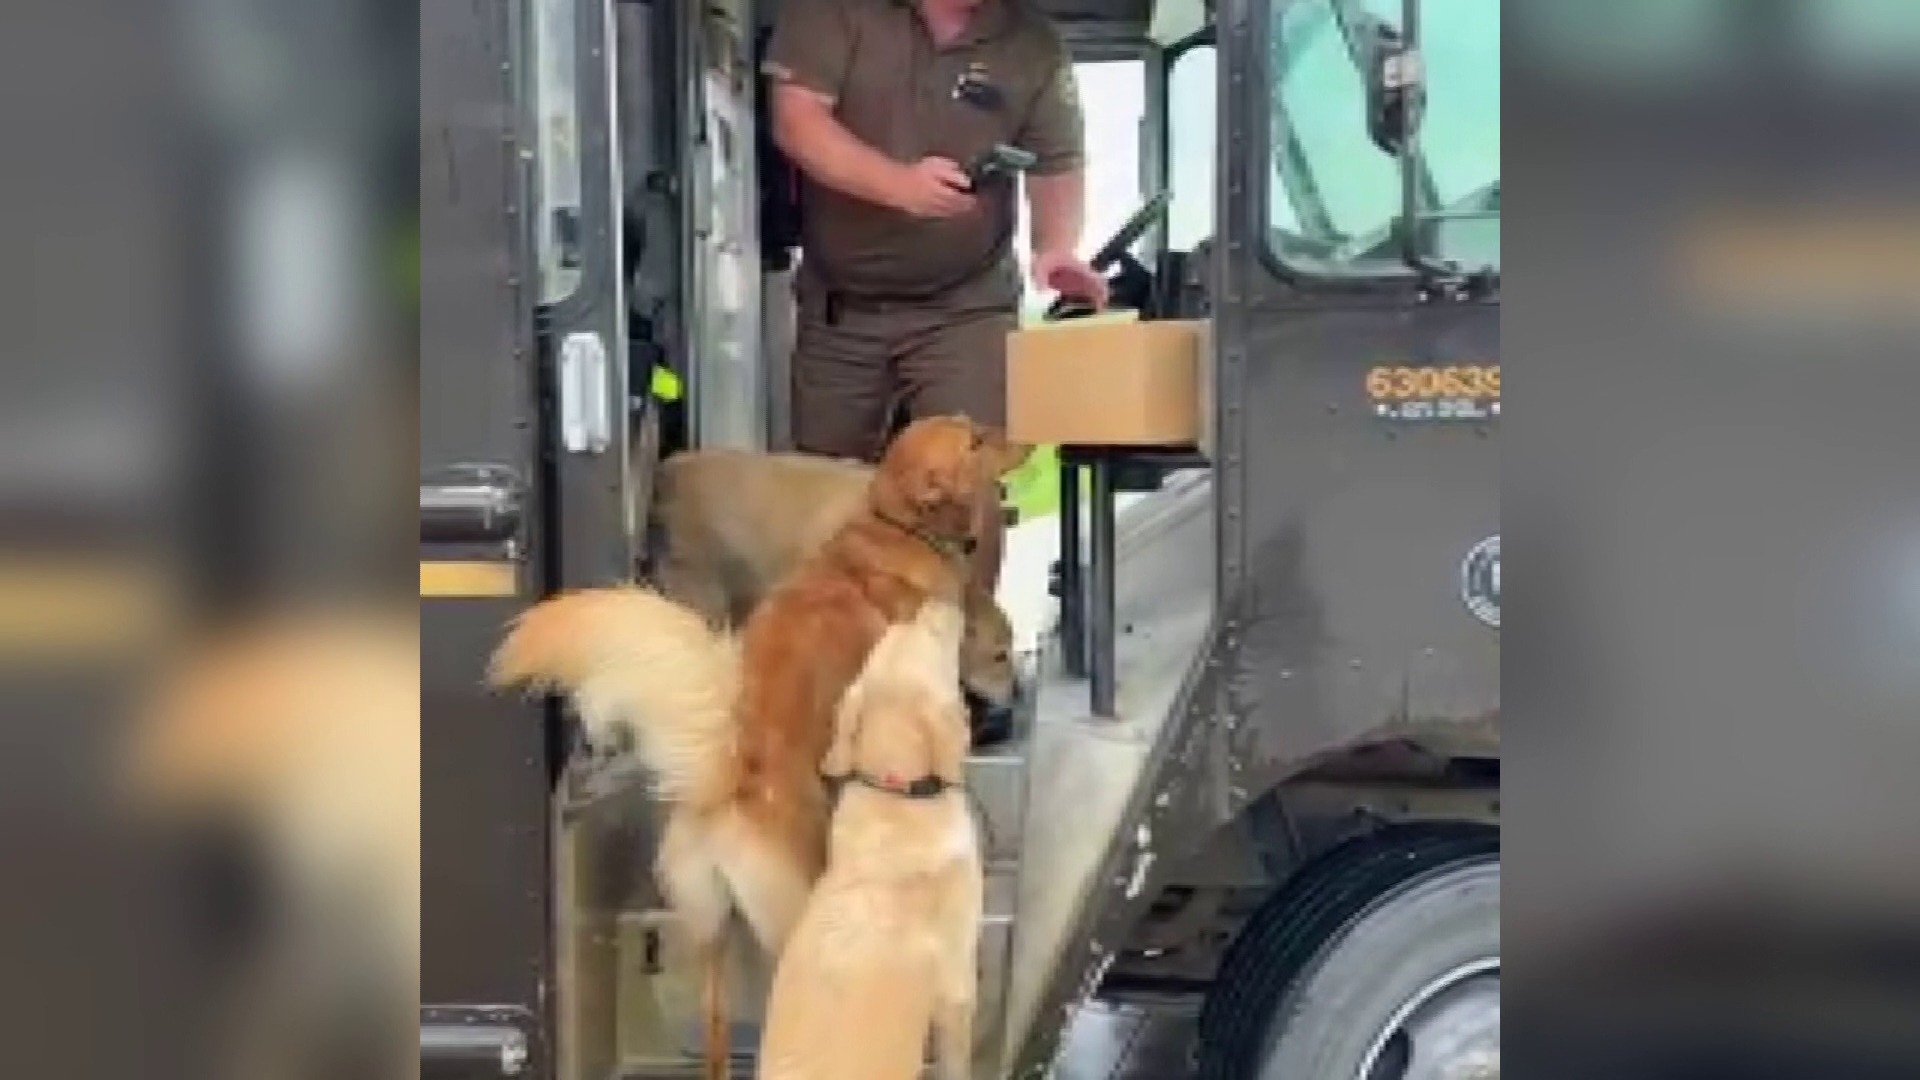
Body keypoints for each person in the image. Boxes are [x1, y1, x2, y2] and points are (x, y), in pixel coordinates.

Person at [764, 0, 1106, 595]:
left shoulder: (1033, 45)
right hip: (840, 307)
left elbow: (1057, 162)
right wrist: (899, 186)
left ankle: (965, 659)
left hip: (966, 305)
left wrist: (1055, 248)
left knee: (969, 482)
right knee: (824, 493)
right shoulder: (830, 14)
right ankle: (851, 659)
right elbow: (797, 122)